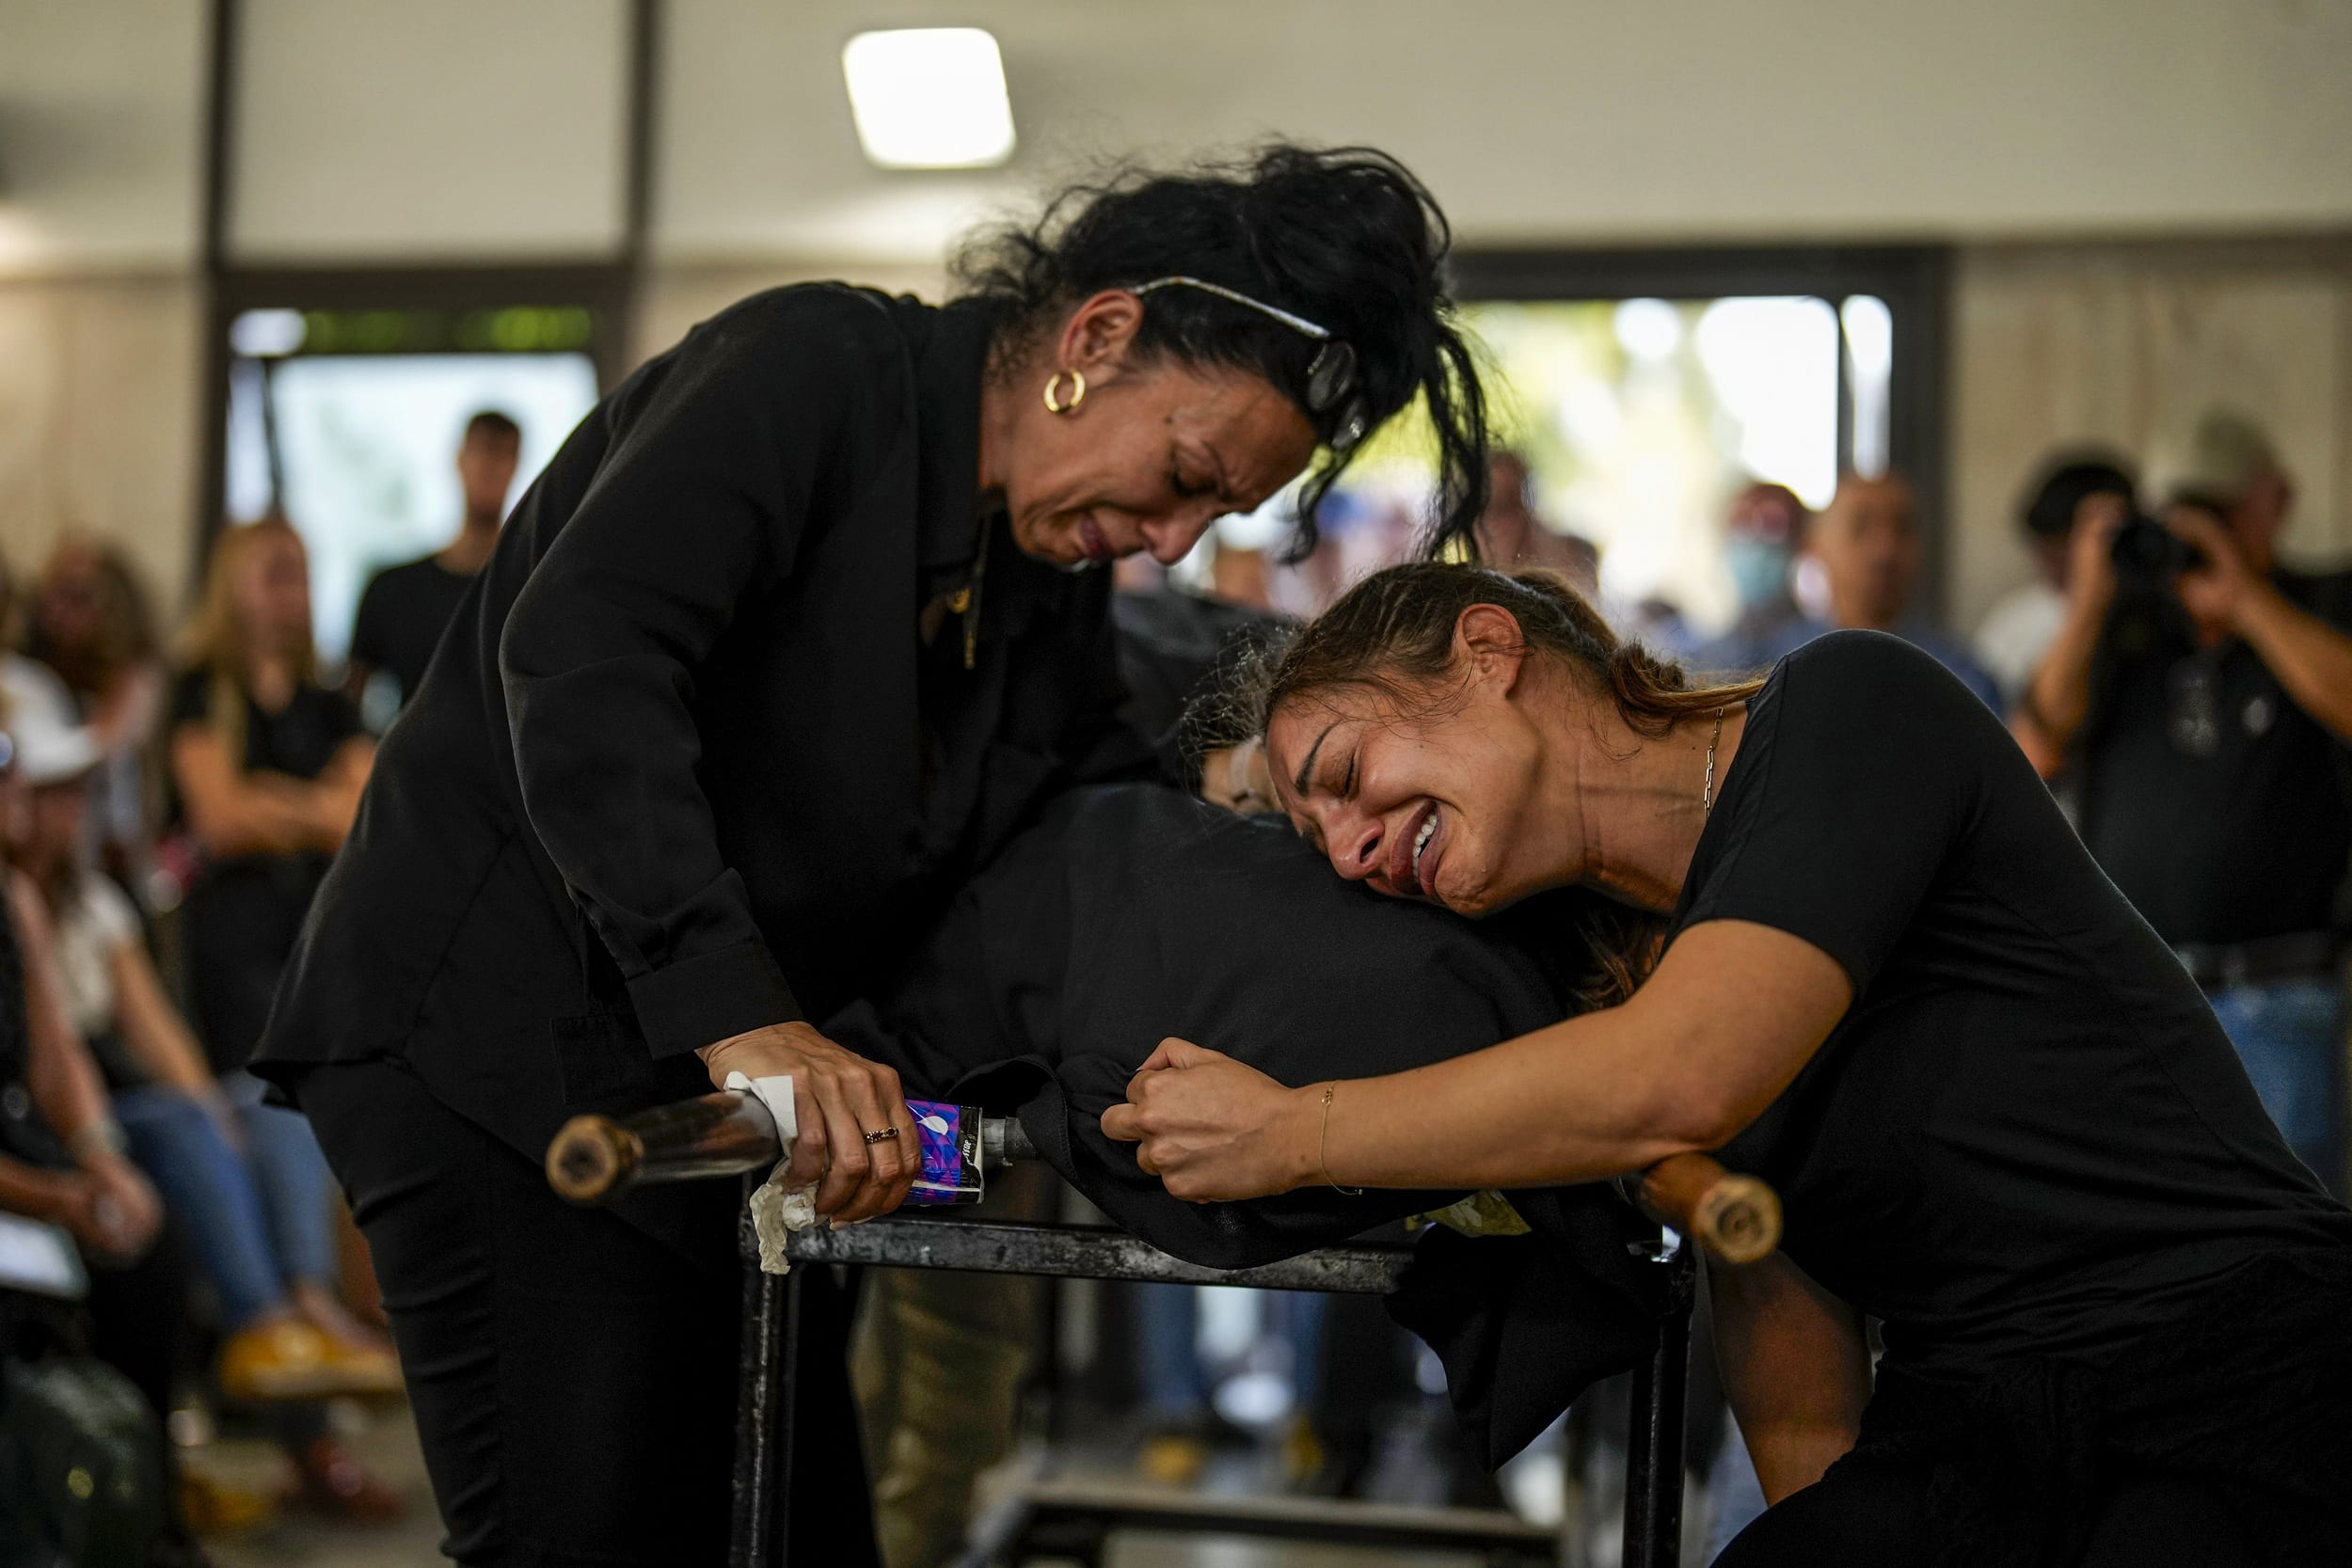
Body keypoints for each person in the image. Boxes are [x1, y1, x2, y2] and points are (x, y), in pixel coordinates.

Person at [254, 144, 1494, 1567]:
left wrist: (1272, 801)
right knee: (591, 1529)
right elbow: (587, 658)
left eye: (1209, 518)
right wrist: (743, 1016)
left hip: (715, 1080)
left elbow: (1080, 789)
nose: (1165, 540)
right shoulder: (815, 370)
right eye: (1181, 476)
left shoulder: (1036, 568)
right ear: (1099, 336)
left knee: (793, 1524)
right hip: (488, 1024)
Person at [1104, 562, 2352, 1563]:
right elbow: (1795, 1370)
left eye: (1344, 776)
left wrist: (1293, 1131)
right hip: (1984, 1419)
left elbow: (1687, 1072)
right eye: (1320, 836)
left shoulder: (1853, 707)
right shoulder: (1634, 968)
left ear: (1487, 650)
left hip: (2229, 1370)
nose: (1350, 850)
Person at [2018, 410, 2352, 1190]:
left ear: (2275, 502)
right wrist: (2089, 601)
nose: (2201, 533)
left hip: (2279, 998)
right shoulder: (2126, 627)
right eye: (2183, 512)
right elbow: (2034, 749)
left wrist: (2247, 601)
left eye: (2221, 511)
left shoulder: (2323, 601)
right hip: (2140, 1001)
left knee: (2285, 1230)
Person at [345, 409, 522, 719]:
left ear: (516, 466)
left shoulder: (527, 590)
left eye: (503, 455)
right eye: (483, 451)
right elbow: (350, 699)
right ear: (461, 459)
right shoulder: (394, 592)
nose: (490, 468)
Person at [24, 538, 168, 895]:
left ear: (116, 608)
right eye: (51, 595)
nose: (58, 612)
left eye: (79, 598)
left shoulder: (136, 676)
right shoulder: (30, 676)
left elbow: (112, 743)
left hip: (119, 867)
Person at [1797, 473, 2000, 707]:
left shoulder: (1964, 682)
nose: (1885, 550)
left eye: (1903, 528)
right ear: (1813, 545)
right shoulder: (1776, 671)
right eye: (1860, 527)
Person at [1973, 452, 2136, 721]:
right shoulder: (2015, 624)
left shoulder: (2157, 612)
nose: (2051, 564)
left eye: (2063, 549)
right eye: (2045, 550)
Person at [1685, 483, 1813, 674]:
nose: (1755, 539)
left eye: (1773, 525)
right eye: (1742, 527)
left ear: (1801, 542)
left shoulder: (1822, 648)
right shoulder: (1700, 660)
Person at [1474, 451, 1599, 596]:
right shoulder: (1478, 587)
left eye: (1514, 501)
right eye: (1498, 506)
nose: (1499, 523)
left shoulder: (1558, 550)